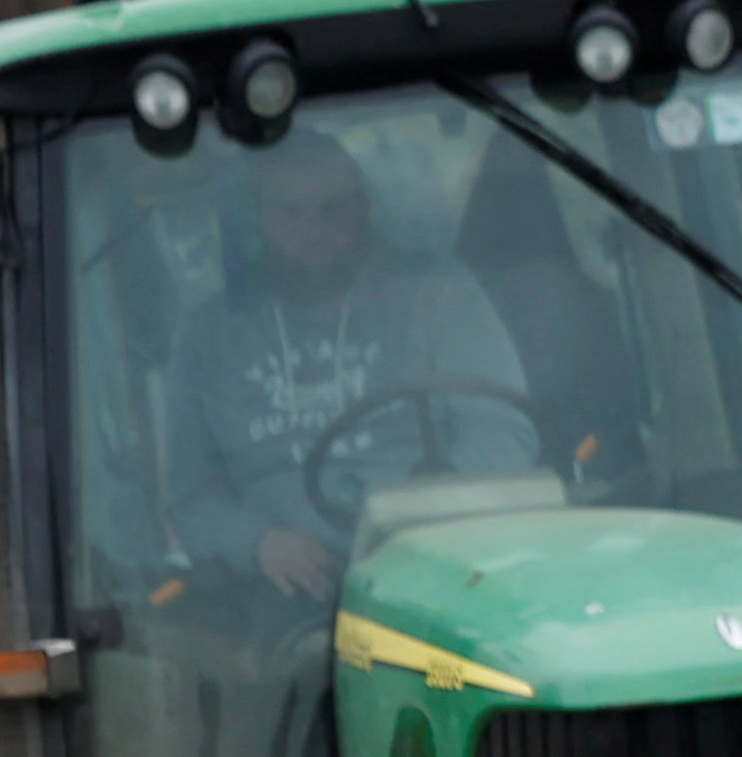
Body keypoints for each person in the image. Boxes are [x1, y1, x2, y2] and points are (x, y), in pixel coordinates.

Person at [165, 139, 536, 605]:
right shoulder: (208, 335)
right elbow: (191, 495)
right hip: (284, 587)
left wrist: (430, 520)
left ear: (364, 210)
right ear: (259, 218)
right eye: (291, 213)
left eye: (331, 210)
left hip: (438, 566)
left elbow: (502, 431)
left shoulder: (435, 295)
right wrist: (256, 543)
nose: (314, 230)